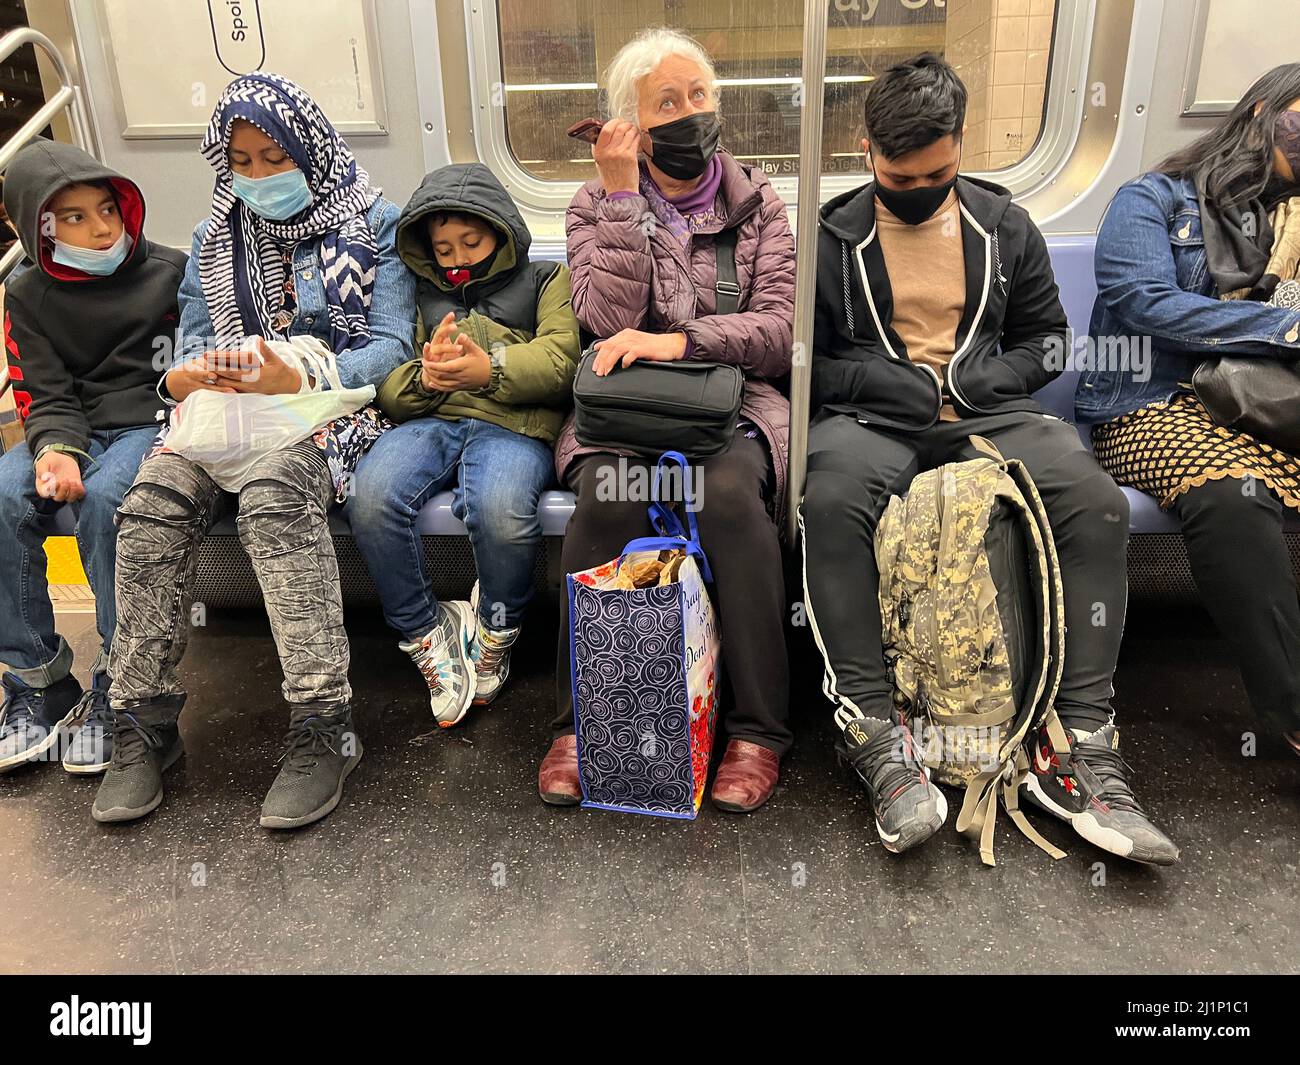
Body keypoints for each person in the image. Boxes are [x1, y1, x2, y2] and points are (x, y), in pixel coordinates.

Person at [802, 54, 1178, 864]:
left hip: (986, 411)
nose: (917, 188)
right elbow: (807, 362)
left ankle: (1079, 740)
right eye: (898, 176)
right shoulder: (833, 239)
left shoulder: (1003, 226)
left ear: (960, 147)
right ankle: (872, 733)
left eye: (936, 172)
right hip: (874, 417)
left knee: (1095, 498)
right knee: (828, 500)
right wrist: (884, 379)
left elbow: (1048, 339)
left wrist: (981, 377)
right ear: (867, 151)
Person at [91, 74, 415, 828]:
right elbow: (193, 343)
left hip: (328, 411)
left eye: (277, 157)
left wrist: (299, 369)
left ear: (312, 149)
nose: (260, 176)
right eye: (244, 161)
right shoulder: (212, 238)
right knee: (148, 507)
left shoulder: (376, 223)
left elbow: (395, 350)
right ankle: (143, 721)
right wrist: (194, 370)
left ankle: (323, 724)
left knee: (274, 499)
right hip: (226, 413)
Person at [537, 27, 795, 814]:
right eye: (668, 103)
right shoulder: (591, 204)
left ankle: (759, 730)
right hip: (624, 413)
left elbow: (778, 331)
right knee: (610, 496)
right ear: (633, 126)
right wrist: (622, 199)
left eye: (699, 95)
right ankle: (582, 721)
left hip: (732, 405)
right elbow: (599, 323)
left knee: (725, 499)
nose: (691, 113)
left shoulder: (758, 204)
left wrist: (680, 339)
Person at [1078, 64, 1300, 759]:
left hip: (1270, 408)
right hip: (1149, 404)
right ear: (1262, 108)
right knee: (1234, 495)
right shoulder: (1150, 200)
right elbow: (1148, 304)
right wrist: (1284, 328)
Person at [347, 163, 580, 725]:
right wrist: (425, 379)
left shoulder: (549, 279)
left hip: (514, 423)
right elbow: (390, 388)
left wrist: (489, 365)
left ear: (502, 231)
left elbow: (561, 363)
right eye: (444, 248)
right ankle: (426, 631)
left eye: (472, 242)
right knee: (370, 495)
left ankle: (497, 630)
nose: (457, 259)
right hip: (433, 418)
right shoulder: (418, 293)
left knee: (499, 508)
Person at [0, 139, 186, 775]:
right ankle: (38, 678)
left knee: (111, 500)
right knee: (2, 495)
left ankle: (120, 680)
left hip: (151, 419)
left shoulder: (171, 271)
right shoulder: (25, 295)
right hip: (69, 425)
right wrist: (55, 451)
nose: (100, 227)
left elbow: (184, 372)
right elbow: (42, 391)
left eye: (106, 208)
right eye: (73, 217)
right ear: (39, 228)